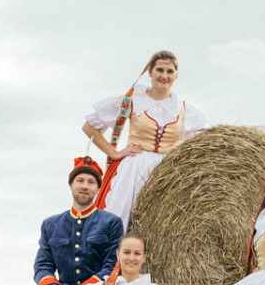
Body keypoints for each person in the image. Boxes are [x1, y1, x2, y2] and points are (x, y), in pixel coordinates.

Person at [82, 50, 209, 224]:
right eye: (160, 70)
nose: (164, 76)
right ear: (150, 72)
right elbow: (89, 127)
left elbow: (202, 142)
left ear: (176, 75)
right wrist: (114, 153)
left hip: (166, 170)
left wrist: (181, 145)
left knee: (163, 224)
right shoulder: (133, 99)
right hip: (134, 168)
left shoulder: (184, 108)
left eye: (170, 71)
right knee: (120, 219)